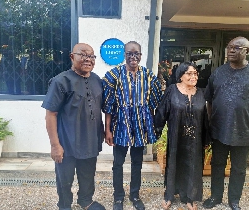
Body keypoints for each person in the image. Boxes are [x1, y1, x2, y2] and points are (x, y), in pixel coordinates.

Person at [203, 36, 249, 210]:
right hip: (219, 130)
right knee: (217, 165)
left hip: (245, 131)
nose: (231, 50)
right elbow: (209, 100)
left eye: (236, 47)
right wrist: (210, 123)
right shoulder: (218, 72)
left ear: (247, 51)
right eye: (229, 47)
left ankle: (234, 200)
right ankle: (215, 197)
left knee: (239, 169)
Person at [41, 43, 106, 210]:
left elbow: (103, 109)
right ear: (72, 57)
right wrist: (55, 145)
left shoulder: (97, 80)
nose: (87, 59)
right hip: (67, 143)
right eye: (83, 55)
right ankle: (64, 205)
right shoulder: (60, 81)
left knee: (88, 175)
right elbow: (51, 114)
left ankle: (85, 200)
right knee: (65, 179)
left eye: (91, 56)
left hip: (91, 140)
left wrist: (107, 131)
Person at [102, 41, 162, 210]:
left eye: (136, 54)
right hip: (120, 125)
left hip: (140, 126)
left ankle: (135, 195)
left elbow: (155, 104)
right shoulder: (114, 75)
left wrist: (152, 126)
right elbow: (109, 106)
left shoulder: (149, 76)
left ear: (141, 56)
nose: (133, 57)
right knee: (118, 163)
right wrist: (107, 129)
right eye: (129, 54)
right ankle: (118, 197)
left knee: (137, 162)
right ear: (124, 55)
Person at [154, 62, 210, 210]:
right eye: (189, 73)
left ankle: (190, 197)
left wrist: (206, 139)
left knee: (193, 166)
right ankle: (169, 195)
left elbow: (205, 119)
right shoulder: (172, 91)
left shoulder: (201, 93)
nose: (193, 76)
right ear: (180, 76)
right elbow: (162, 111)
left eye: (195, 73)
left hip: (195, 140)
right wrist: (156, 130)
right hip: (176, 137)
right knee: (173, 164)